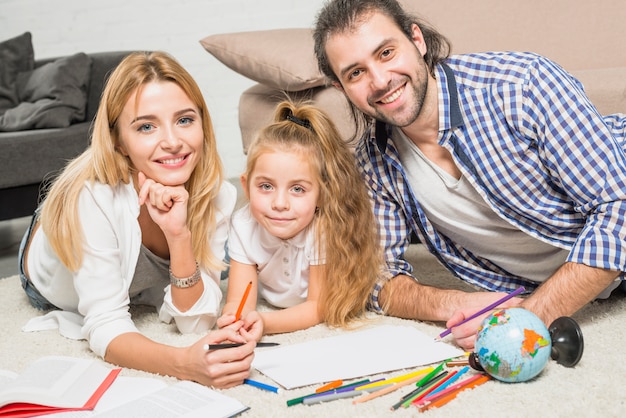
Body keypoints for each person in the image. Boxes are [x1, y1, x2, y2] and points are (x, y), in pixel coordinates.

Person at [313, 0, 626, 350]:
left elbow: (618, 210)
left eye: (386, 52)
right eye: (356, 73)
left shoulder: (522, 84)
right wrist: (453, 302)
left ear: (416, 39)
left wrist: (528, 318)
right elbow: (375, 277)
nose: (380, 81)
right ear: (341, 88)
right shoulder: (374, 162)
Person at [18, 51, 262, 388]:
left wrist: (178, 235)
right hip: (45, 264)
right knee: (72, 209)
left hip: (134, 256)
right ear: (119, 140)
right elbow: (104, 324)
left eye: (185, 120)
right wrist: (183, 364)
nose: (173, 142)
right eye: (146, 126)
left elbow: (196, 322)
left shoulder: (216, 194)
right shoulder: (93, 198)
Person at [216, 100, 381, 335]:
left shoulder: (322, 228)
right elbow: (239, 299)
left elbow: (317, 307)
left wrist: (265, 323)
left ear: (321, 196)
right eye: (265, 186)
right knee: (215, 258)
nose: (280, 204)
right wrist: (234, 319)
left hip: (311, 302)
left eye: (297, 189)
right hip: (267, 289)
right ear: (245, 185)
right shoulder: (244, 224)